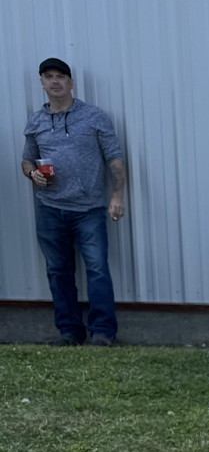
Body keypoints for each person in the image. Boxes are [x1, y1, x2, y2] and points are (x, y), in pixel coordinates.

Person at [21, 57, 126, 347]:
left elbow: (114, 157)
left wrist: (117, 195)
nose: (54, 81)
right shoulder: (36, 121)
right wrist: (32, 174)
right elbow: (27, 158)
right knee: (58, 271)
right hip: (49, 209)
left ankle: (103, 332)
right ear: (42, 83)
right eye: (48, 77)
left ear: (70, 83)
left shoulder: (94, 117)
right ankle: (69, 332)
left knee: (97, 269)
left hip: (88, 209)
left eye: (60, 76)